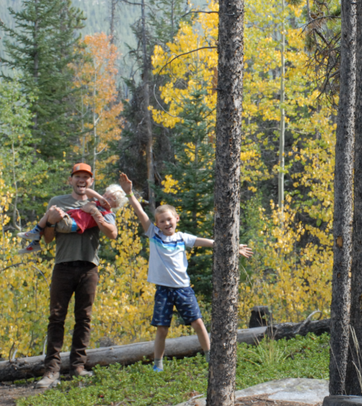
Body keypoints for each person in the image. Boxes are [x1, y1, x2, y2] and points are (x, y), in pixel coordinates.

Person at [118, 172, 253, 372]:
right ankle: (158, 364)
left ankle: (210, 356)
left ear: (176, 219)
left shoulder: (182, 238)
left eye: (169, 220)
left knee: (198, 323)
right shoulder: (154, 235)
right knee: (162, 329)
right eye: (162, 221)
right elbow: (141, 214)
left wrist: (234, 246)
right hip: (163, 290)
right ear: (157, 224)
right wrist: (129, 194)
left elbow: (209, 242)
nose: (166, 224)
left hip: (183, 289)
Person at [36, 163, 119, 389]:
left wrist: (96, 214)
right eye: (77, 177)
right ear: (70, 180)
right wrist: (51, 222)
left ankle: (78, 367)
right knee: (56, 318)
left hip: (89, 267)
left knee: (84, 318)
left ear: (91, 182)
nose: (82, 180)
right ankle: (51, 371)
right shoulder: (57, 201)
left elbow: (113, 234)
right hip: (62, 265)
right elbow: (48, 238)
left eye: (86, 177)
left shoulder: (101, 204)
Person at [17, 185, 128, 254]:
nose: (106, 199)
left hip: (73, 224)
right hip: (70, 218)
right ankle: (35, 240)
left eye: (110, 199)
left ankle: (35, 233)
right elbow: (87, 191)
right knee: (50, 211)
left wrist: (96, 213)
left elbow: (113, 231)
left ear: (116, 205)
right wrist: (100, 197)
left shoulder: (108, 213)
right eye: (106, 195)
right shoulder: (98, 201)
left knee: (52, 212)